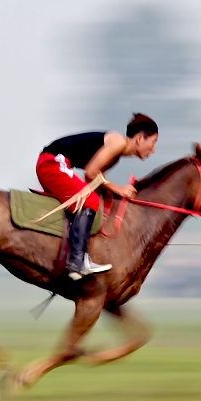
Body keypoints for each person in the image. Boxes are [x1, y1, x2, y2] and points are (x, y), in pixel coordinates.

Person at [37, 113, 159, 280]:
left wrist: (115, 192)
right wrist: (119, 189)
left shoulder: (116, 156)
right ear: (139, 138)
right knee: (89, 200)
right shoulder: (118, 141)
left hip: (54, 163)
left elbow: (92, 180)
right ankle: (76, 262)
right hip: (52, 162)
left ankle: (73, 256)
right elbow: (92, 173)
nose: (154, 149)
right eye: (153, 142)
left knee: (90, 200)